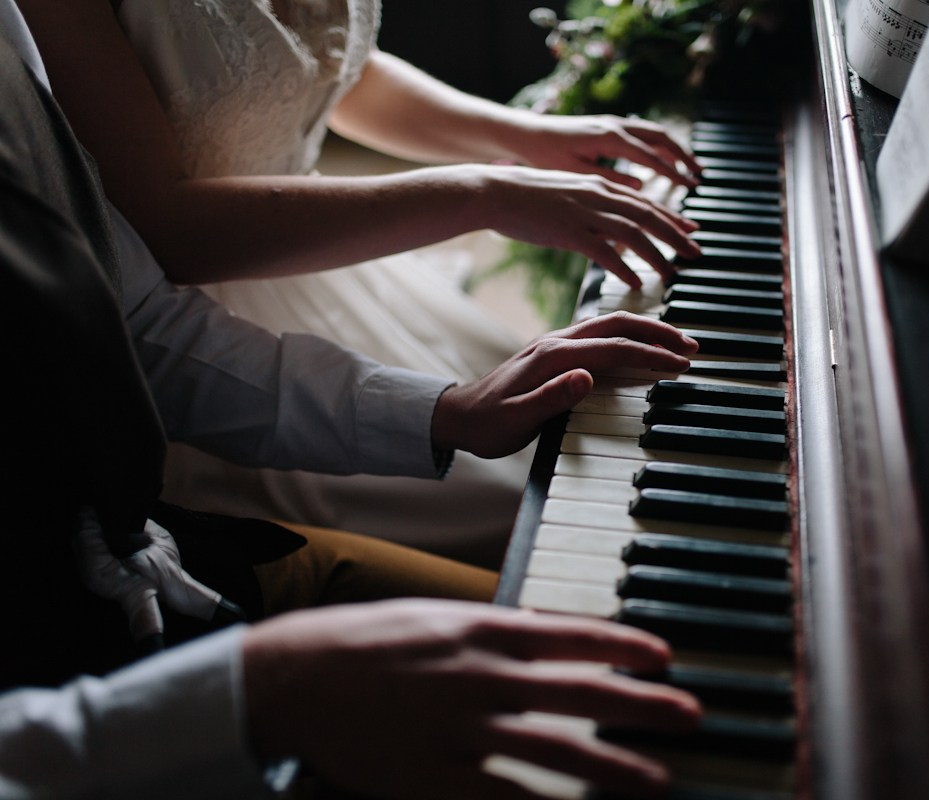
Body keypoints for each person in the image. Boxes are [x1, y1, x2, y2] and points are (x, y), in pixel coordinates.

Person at [0, 3, 701, 795]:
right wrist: (475, 193)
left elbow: (141, 321)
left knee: (598, 561)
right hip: (92, 611)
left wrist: (445, 409)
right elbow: (162, 236)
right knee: (570, 549)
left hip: (173, 527)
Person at [15, 0, 702, 564]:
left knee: (584, 436)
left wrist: (521, 134)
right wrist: (482, 193)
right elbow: (167, 230)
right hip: (211, 343)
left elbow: (329, 67)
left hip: (334, 268)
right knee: (544, 523)